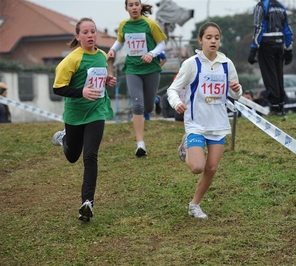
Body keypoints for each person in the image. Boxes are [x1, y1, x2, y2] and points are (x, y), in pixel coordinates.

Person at [167, 22, 242, 219]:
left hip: (218, 125)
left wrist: (236, 89)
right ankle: (186, 146)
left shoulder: (227, 64)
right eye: (209, 37)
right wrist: (177, 103)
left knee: (211, 168)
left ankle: (195, 205)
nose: (213, 41)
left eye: (216, 37)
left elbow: (236, 95)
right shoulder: (192, 64)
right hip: (196, 124)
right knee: (197, 167)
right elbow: (172, 89)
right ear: (200, 40)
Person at [51, 17, 116, 222]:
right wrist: (82, 92)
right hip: (75, 114)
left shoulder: (102, 56)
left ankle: (87, 203)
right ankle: (64, 139)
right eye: (85, 32)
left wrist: (107, 80)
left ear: (96, 34)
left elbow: (97, 78)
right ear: (78, 36)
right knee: (72, 156)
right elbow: (58, 88)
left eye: (93, 31)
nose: (90, 35)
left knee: (90, 156)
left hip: (96, 111)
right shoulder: (71, 60)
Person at [107, 0, 167, 157]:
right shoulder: (124, 25)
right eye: (131, 5)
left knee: (148, 107)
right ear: (126, 8)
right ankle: (140, 144)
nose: (134, 7)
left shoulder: (150, 24)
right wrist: (112, 50)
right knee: (138, 106)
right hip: (132, 69)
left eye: (136, 4)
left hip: (151, 69)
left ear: (140, 6)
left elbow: (162, 44)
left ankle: (155, 100)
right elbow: (120, 41)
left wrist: (151, 54)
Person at [247, 0, 293, 115]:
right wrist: (289, 49)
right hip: (280, 42)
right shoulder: (281, 6)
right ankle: (281, 106)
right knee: (278, 75)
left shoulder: (261, 6)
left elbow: (258, 28)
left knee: (269, 76)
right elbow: (287, 29)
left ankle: (274, 107)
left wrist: (253, 49)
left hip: (267, 43)